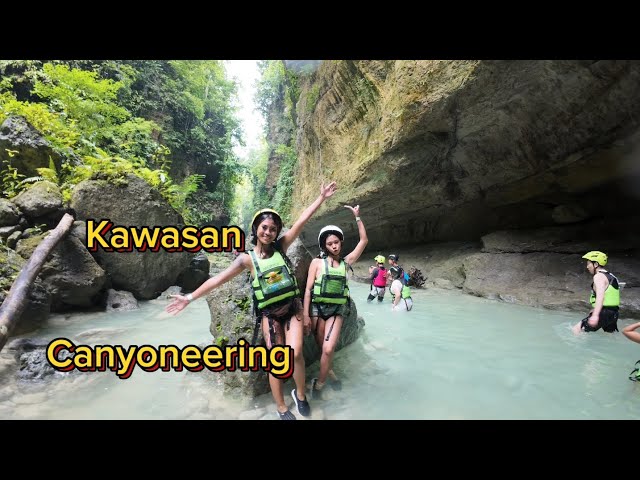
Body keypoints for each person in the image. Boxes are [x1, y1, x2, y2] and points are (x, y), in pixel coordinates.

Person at [166, 181, 338, 420]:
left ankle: (300, 395)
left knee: (296, 353)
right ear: (256, 228)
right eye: (264, 227)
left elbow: (301, 222)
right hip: (270, 315)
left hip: (293, 309)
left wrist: (321, 198)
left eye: (273, 229)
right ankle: (280, 407)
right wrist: (189, 297)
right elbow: (217, 280)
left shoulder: (282, 246)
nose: (268, 232)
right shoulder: (246, 260)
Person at [303, 205, 368, 398]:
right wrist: (306, 315)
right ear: (324, 246)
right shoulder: (316, 263)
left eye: (337, 242)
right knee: (323, 348)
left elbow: (364, 240)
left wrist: (357, 217)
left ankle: (320, 383)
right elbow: (307, 290)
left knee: (329, 348)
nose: (334, 246)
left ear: (340, 242)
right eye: (330, 243)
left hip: (336, 310)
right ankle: (329, 371)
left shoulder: (346, 263)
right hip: (316, 309)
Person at [572, 251, 621, 334]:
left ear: (596, 264)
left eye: (588, 264)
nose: (587, 267)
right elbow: (611, 294)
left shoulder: (598, 276)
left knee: (577, 329)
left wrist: (595, 315)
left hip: (604, 312)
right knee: (609, 335)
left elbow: (601, 296)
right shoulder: (611, 276)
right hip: (614, 313)